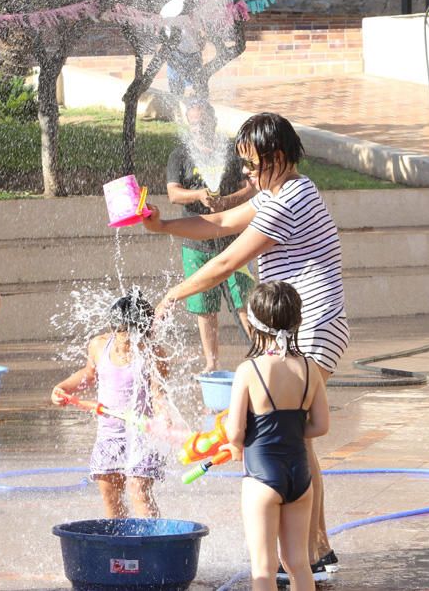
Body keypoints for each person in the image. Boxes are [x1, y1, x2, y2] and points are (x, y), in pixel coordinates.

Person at [143, 112, 347, 579]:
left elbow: (229, 258)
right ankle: (313, 550)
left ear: (277, 157)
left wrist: (174, 294)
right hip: (309, 325)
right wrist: (163, 226)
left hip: (312, 325)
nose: (247, 176)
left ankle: (313, 550)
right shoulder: (284, 191)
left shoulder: (287, 200)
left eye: (253, 167)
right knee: (290, 431)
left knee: (290, 431)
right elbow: (217, 223)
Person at [220, 281, 330, 591]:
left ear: (254, 324)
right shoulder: (309, 368)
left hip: (261, 477)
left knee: (263, 568)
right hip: (300, 476)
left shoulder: (249, 370)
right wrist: (291, 431)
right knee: (298, 563)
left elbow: (235, 433)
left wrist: (236, 438)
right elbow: (321, 426)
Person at [51, 288, 169, 518]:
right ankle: (120, 546)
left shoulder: (154, 353)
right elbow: (89, 374)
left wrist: (163, 418)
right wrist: (64, 387)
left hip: (141, 436)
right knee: (110, 494)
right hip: (109, 436)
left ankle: (153, 546)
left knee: (139, 491)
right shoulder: (99, 346)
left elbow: (158, 395)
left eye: (130, 336)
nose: (124, 342)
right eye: (120, 334)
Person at [166, 100, 255, 371]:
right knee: (204, 305)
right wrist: (199, 195)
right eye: (193, 124)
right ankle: (211, 364)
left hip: (233, 239)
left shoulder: (230, 150)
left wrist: (226, 203)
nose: (198, 128)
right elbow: (173, 194)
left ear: (213, 122)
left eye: (202, 123)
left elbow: (250, 188)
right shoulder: (179, 155)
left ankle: (261, 357)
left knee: (244, 301)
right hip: (196, 243)